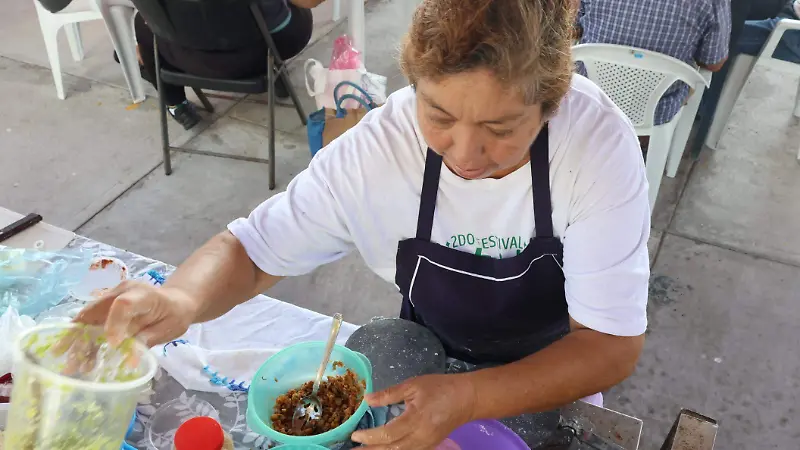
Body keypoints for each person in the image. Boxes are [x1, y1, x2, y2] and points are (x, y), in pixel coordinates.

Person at [77, 0, 650, 448]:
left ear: (551, 100)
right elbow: (251, 251)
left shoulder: (595, 146)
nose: (466, 154)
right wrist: (179, 300)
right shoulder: (382, 145)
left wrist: (472, 395)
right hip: (432, 349)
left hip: (554, 364)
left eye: (501, 127)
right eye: (440, 115)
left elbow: (609, 346)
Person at [131, 0, 323, 130]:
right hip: (261, 51)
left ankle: (175, 104)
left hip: (190, 57)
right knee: (292, 10)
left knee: (144, 23)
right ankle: (274, 68)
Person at [577, 0, 732, 126]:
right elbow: (713, 63)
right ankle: (651, 147)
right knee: (692, 81)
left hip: (588, 98)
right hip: (657, 112)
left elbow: (571, 27)